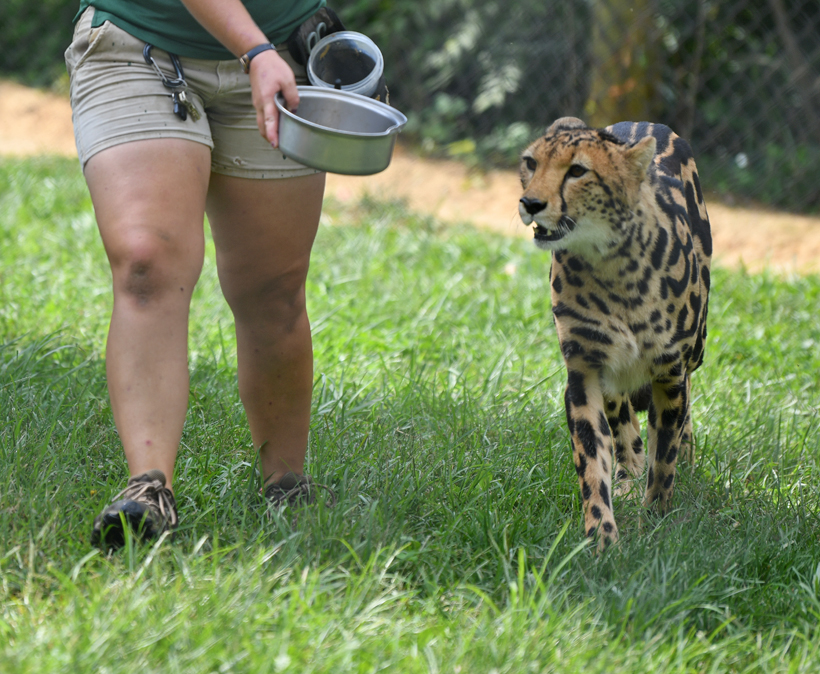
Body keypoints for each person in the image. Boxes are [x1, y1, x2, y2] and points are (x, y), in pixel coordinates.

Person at [65, 0, 339, 549]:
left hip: (282, 54)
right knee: (147, 263)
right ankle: (148, 488)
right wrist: (253, 49)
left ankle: (287, 484)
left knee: (274, 289)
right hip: (138, 46)